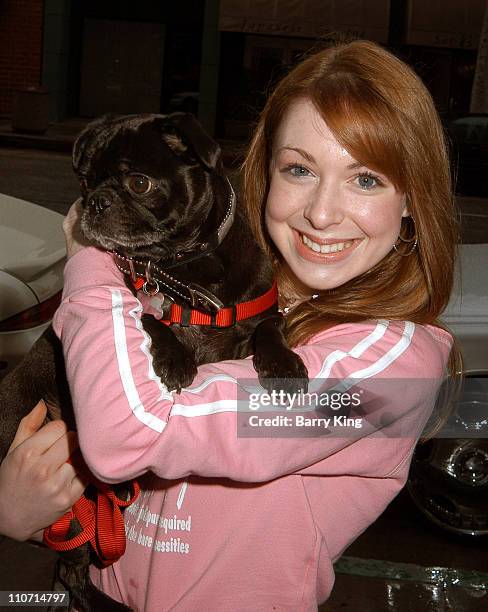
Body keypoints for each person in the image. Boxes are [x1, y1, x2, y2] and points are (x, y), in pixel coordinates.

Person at [0, 40, 461, 610]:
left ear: (414, 196)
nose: (322, 212)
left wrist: (90, 257)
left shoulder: (391, 378)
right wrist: (16, 511)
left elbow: (130, 432)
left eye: (365, 179)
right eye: (299, 169)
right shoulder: (221, 288)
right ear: (264, 172)